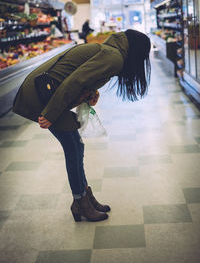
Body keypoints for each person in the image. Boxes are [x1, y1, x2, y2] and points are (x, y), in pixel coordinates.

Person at [12, 29, 151, 222]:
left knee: (76, 146)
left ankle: (84, 196)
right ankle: (80, 202)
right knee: (73, 148)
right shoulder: (114, 57)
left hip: (46, 92)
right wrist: (50, 114)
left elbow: (82, 78)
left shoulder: (110, 51)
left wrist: (91, 93)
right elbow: (75, 81)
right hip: (42, 96)